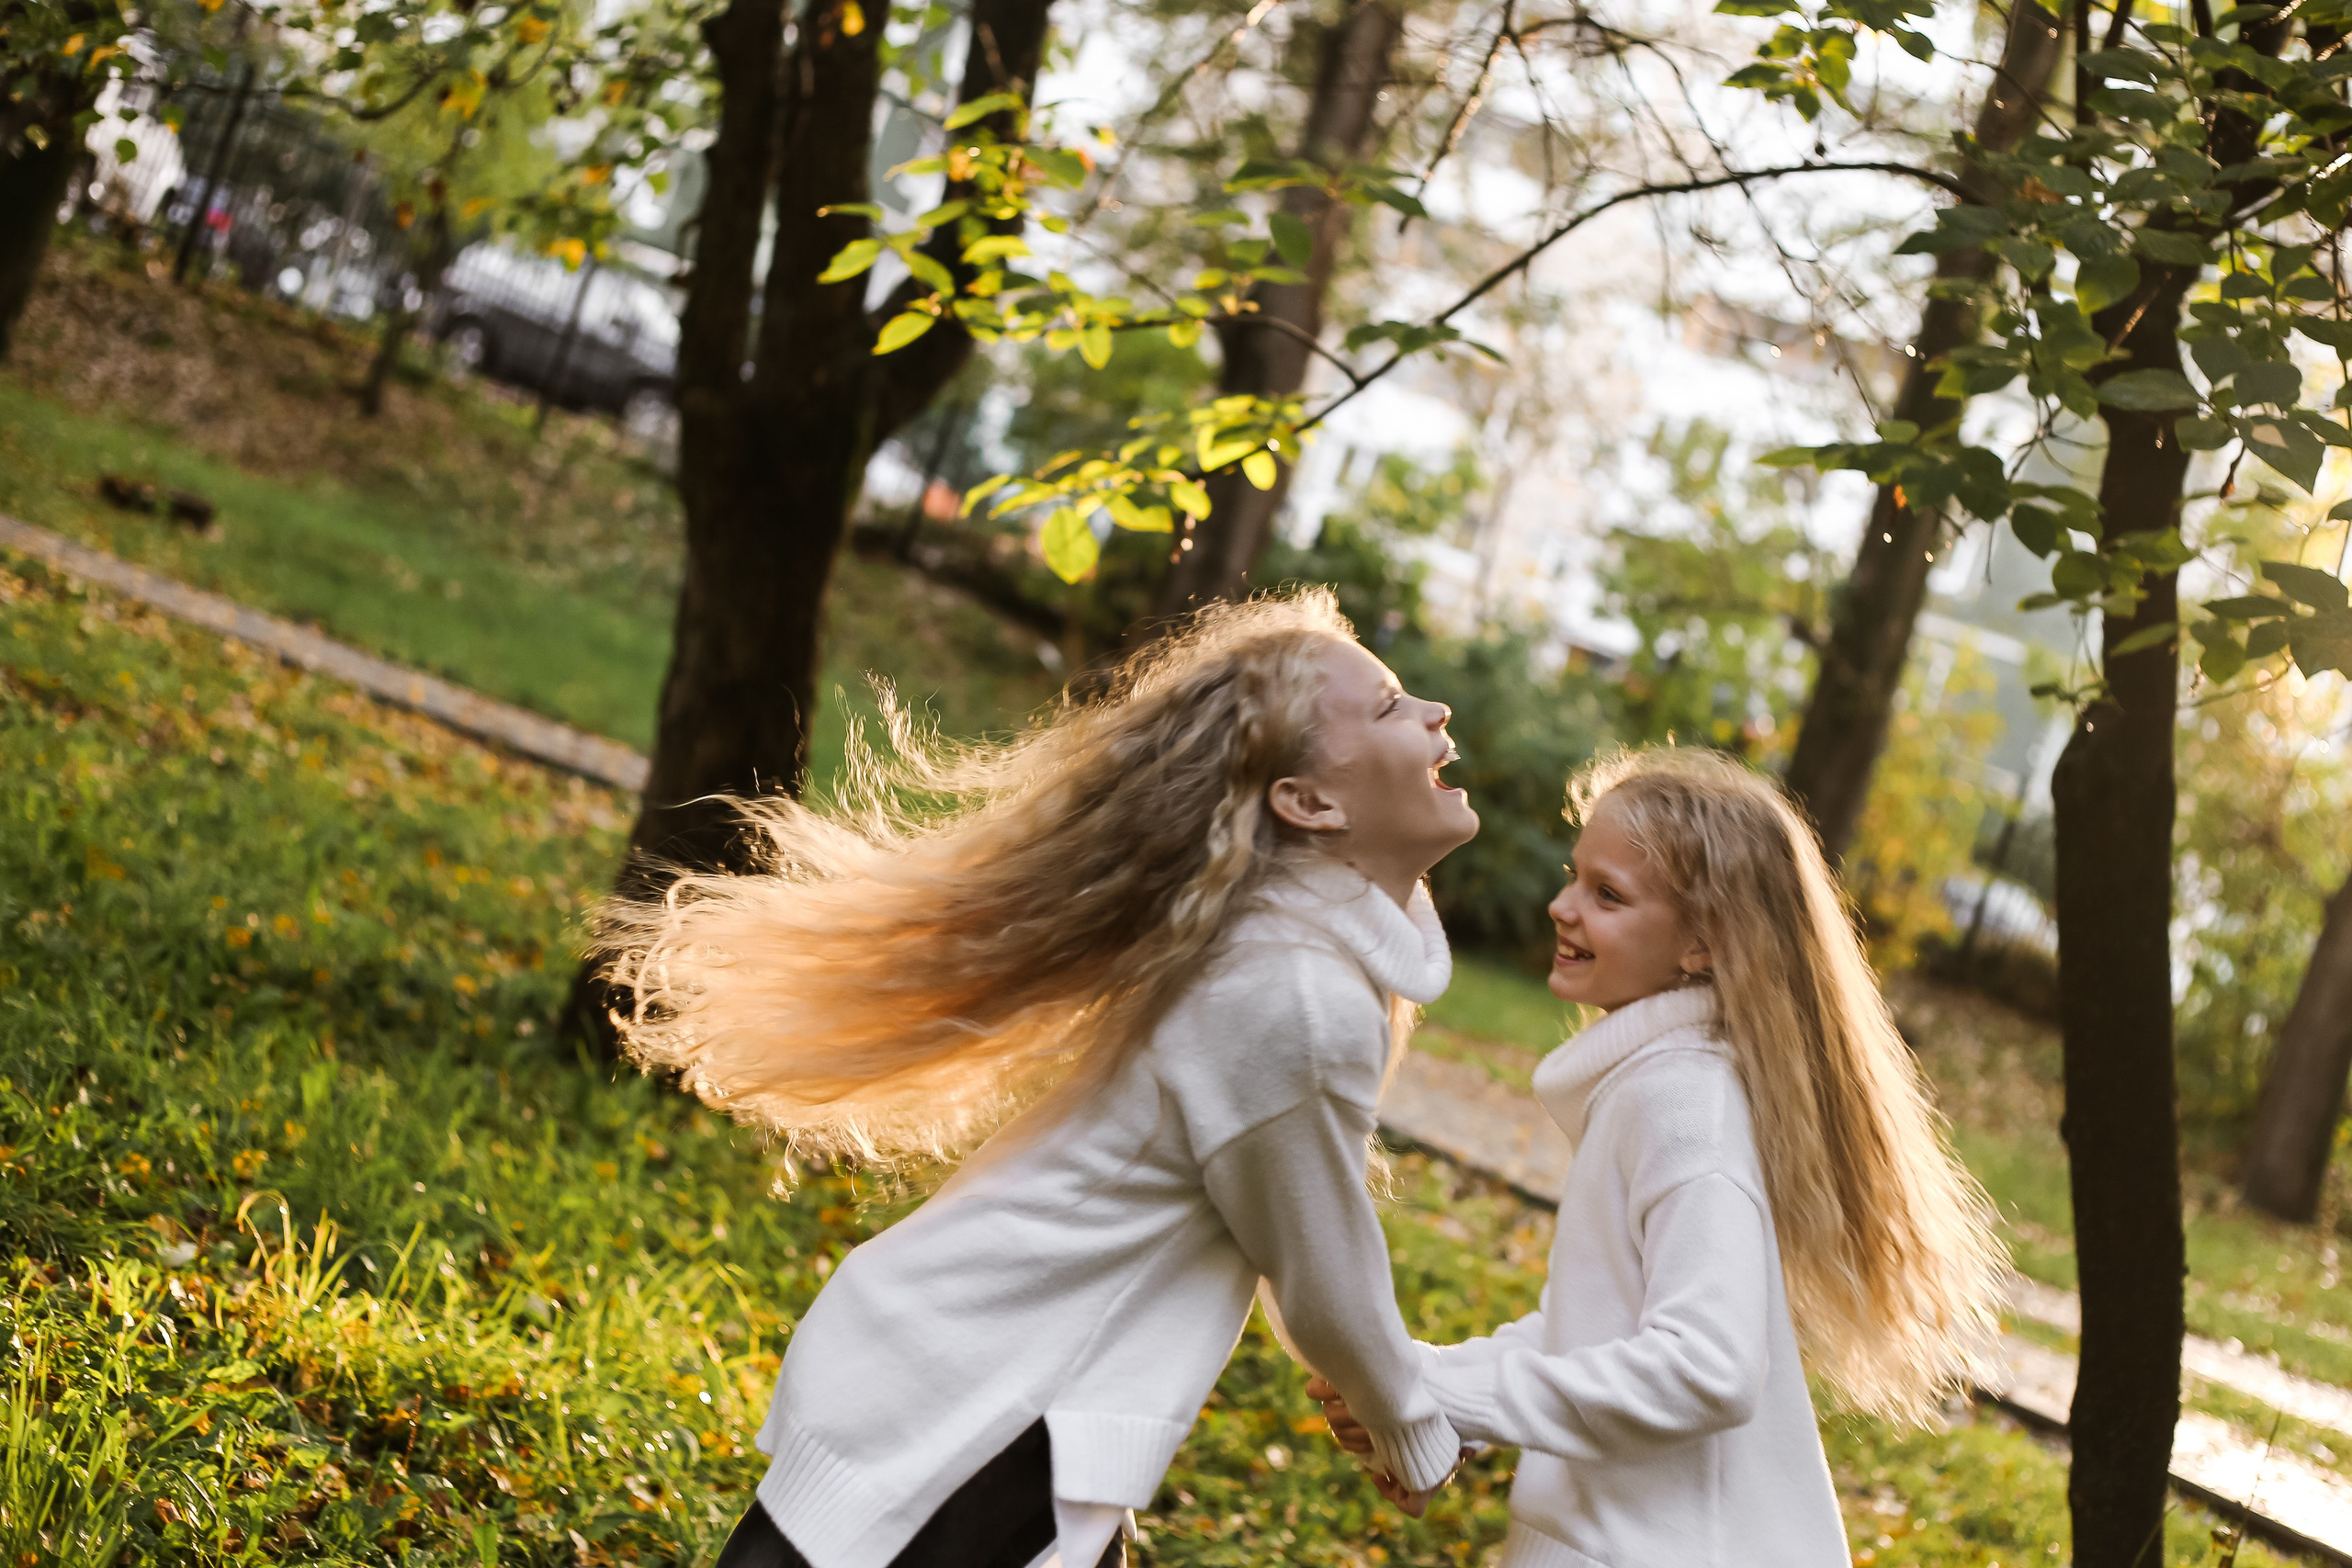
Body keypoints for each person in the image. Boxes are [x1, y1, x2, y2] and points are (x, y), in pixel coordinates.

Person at [596, 591, 1478, 1568]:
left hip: (994, 1383)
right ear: (1308, 803)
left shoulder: (1285, 955)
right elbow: (1321, 1266)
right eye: (1391, 706)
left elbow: (1290, 1228)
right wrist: (1413, 1429)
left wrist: (1388, 1398)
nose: (1435, 710)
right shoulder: (1293, 992)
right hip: (983, 1406)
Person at [1312, 746, 2006, 1567]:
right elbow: (1596, 1329)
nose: (1562, 906)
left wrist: (1448, 1394)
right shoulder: (1658, 1083)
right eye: (1574, 878)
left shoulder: (1681, 1100)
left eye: (1607, 894)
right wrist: (1432, 1389)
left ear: (1703, 944)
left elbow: (1707, 1367)